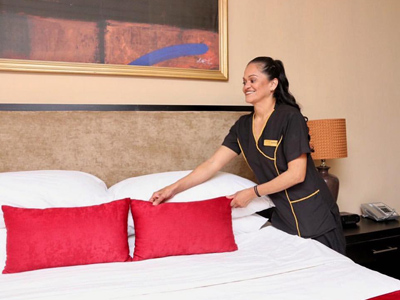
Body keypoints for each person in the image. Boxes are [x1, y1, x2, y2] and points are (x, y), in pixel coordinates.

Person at [150, 56, 346, 255]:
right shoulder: (242, 127)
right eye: (244, 82)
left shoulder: (289, 117)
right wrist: (171, 189)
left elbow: (297, 174)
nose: (246, 86)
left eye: (252, 80)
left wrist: (252, 193)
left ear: (272, 84)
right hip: (283, 218)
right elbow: (212, 163)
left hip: (315, 215)